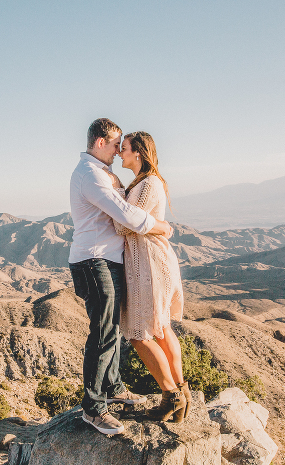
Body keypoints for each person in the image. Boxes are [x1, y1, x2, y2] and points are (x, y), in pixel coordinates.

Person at [69, 118, 174, 435]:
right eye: (115, 144)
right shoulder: (90, 175)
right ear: (100, 142)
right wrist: (162, 227)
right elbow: (126, 215)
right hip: (93, 260)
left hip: (106, 259)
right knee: (102, 334)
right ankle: (94, 409)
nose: (118, 150)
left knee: (111, 330)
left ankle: (112, 387)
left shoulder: (101, 172)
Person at [114, 131, 189, 423]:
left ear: (139, 153)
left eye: (125, 149)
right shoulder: (147, 183)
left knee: (137, 334)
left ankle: (171, 396)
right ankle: (182, 392)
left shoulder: (146, 186)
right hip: (150, 261)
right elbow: (134, 223)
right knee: (160, 328)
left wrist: (117, 198)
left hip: (147, 266)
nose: (120, 152)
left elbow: (123, 227)